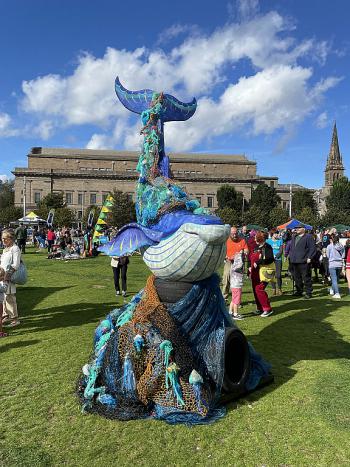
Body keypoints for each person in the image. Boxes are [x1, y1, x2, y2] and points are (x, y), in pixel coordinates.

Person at [249, 231, 274, 317]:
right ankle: (260, 308)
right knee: (255, 290)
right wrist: (249, 267)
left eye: (256, 237)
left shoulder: (267, 247)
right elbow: (251, 258)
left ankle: (267, 308)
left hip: (263, 272)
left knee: (259, 289)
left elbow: (270, 259)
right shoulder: (256, 247)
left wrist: (259, 262)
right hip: (254, 273)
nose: (254, 238)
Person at [288, 225, 316, 299]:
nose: (296, 229)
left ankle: (308, 292)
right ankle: (299, 291)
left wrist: (310, 257)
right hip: (294, 260)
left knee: (306, 277)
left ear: (303, 229)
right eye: (296, 228)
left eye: (298, 228)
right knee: (296, 277)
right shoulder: (294, 237)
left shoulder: (308, 237)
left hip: (304, 260)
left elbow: (312, 248)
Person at [221, 226, 248, 301]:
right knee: (226, 279)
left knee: (237, 282)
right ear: (229, 233)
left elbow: (246, 250)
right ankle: (224, 298)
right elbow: (222, 251)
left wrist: (245, 252)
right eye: (233, 234)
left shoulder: (242, 240)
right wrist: (225, 256)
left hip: (239, 263)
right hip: (229, 262)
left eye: (236, 233)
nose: (234, 235)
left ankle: (236, 301)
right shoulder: (226, 241)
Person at [1, 229, 21, 327]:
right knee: (3, 297)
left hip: (9, 276)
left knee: (10, 297)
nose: (3, 241)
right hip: (2, 276)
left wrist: (8, 275)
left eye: (5, 239)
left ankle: (14, 319)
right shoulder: (5, 249)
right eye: (2, 239)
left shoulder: (15, 248)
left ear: (11, 238)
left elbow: (16, 264)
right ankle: (6, 315)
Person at [326, 234, 345, 299]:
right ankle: (332, 289)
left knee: (334, 279)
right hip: (339, 263)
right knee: (336, 279)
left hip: (332, 263)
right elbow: (343, 255)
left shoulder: (329, 246)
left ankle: (337, 293)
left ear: (331, 239)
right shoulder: (341, 246)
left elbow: (327, 255)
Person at [266, 229, 283, 295]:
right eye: (275, 233)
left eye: (277, 233)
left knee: (278, 275)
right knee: (271, 274)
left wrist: (276, 256)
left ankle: (279, 288)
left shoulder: (280, 241)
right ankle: (274, 289)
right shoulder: (268, 241)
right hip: (270, 259)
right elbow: (266, 250)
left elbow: (281, 251)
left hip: (278, 259)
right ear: (272, 234)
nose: (277, 234)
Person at [229, 251, 244, 320]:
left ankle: (230, 312)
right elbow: (240, 265)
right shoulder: (238, 267)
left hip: (233, 285)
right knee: (236, 301)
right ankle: (235, 314)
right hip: (237, 285)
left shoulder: (232, 266)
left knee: (233, 299)